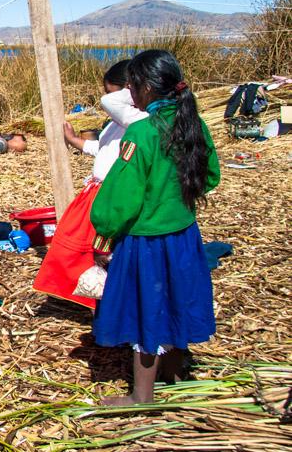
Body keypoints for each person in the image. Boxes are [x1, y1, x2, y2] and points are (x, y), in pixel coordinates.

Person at [90, 49, 220, 406]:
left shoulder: (142, 134)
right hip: (184, 236)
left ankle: (141, 396)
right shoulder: (194, 123)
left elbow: (122, 198)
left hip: (146, 242)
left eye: (132, 85)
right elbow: (210, 176)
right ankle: (174, 375)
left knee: (147, 307)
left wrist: (104, 227)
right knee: (176, 299)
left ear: (146, 87)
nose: (129, 92)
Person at [32, 60, 147, 309]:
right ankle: (89, 296)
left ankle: (109, 301)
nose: (106, 100)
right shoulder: (116, 124)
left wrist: (129, 90)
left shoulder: (137, 119)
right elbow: (102, 149)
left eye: (110, 92)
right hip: (94, 192)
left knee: (104, 251)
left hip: (111, 194)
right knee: (79, 246)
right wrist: (74, 140)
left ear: (129, 90)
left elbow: (112, 104)